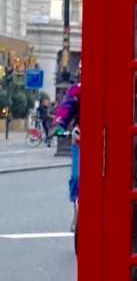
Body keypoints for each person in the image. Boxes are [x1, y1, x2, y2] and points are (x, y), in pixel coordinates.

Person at [53, 79, 81, 228]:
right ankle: (77, 203)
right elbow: (66, 107)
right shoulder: (77, 90)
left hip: (105, 141)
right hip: (81, 139)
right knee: (77, 176)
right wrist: (59, 123)